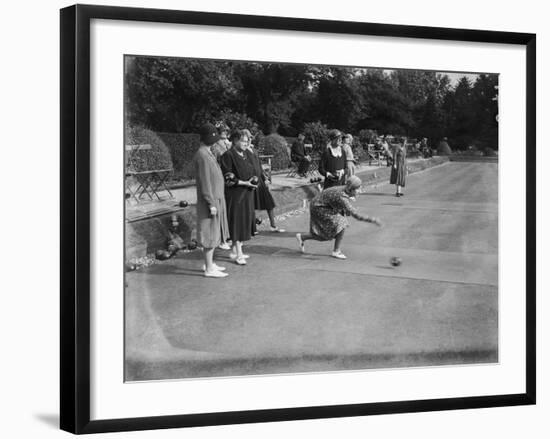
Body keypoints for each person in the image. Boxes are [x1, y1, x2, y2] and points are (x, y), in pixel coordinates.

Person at [295, 176, 382, 259]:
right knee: (340, 225)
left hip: (324, 205)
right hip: (319, 207)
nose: (360, 191)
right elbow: (356, 215)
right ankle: (336, 251)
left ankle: (302, 237)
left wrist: (350, 198)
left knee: (330, 233)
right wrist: (372, 220)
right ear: (351, 189)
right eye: (358, 189)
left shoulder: (346, 189)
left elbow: (342, 202)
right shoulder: (342, 197)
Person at [192, 123, 230, 278]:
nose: (216, 142)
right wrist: (211, 203)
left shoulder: (207, 153)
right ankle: (208, 268)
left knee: (215, 232)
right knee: (209, 233)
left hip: (216, 198)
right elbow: (205, 182)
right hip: (211, 200)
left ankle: (210, 263)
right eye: (213, 139)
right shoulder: (202, 155)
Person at [220, 130, 258, 265]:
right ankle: (238, 254)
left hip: (247, 193)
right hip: (235, 194)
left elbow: (253, 169)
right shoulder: (227, 155)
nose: (246, 143)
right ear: (235, 140)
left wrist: (254, 179)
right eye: (243, 140)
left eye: (247, 141)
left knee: (244, 221)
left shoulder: (247, 154)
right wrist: (244, 183)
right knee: (236, 221)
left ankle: (237, 250)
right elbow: (228, 178)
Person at [243, 129, 286, 233]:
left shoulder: (254, 150)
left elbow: (259, 167)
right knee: (251, 206)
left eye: (250, 138)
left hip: (260, 181)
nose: (249, 140)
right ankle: (253, 228)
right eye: (247, 138)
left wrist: (265, 178)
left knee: (269, 203)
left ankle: (273, 225)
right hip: (251, 181)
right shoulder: (243, 151)